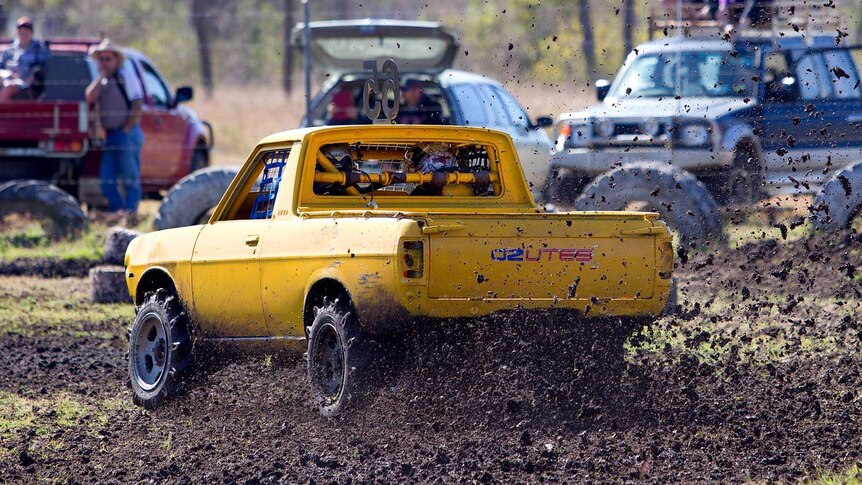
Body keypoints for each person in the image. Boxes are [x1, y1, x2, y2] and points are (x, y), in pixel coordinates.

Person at [85, 39, 145, 214]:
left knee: (129, 178)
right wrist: (102, 76)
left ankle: (130, 213)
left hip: (127, 134)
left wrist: (126, 128)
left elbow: (137, 104)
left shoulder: (126, 75)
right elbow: (90, 96)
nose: (104, 63)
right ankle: (118, 211)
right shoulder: (101, 82)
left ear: (116, 60)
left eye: (108, 59)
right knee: (106, 181)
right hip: (110, 136)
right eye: (101, 59)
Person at [0, 16, 49, 102]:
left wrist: (30, 77)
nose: (23, 34)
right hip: (6, 79)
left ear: (31, 33)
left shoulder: (38, 49)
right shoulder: (10, 49)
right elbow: (1, 64)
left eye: (26, 31)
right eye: (21, 31)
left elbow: (41, 68)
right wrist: (7, 73)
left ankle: (4, 114)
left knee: (9, 88)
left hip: (25, 83)